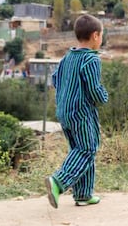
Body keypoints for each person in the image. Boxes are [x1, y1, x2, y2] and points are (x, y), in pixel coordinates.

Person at [45, 14, 109, 209]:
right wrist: (103, 97)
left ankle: (83, 194)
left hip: (65, 112)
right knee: (87, 148)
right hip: (81, 113)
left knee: (80, 150)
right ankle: (58, 181)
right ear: (95, 35)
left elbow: (55, 80)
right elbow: (93, 89)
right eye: (101, 36)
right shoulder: (91, 60)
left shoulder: (67, 57)